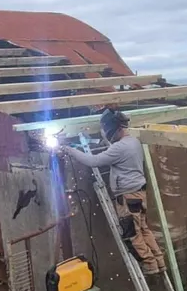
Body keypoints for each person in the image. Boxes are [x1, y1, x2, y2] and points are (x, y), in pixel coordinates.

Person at [59, 109, 167, 276]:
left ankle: (149, 265)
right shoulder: (133, 142)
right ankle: (159, 261)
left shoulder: (119, 148)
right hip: (139, 193)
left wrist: (69, 149)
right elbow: (112, 150)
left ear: (115, 129)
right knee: (144, 229)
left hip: (128, 196)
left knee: (132, 233)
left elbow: (92, 161)